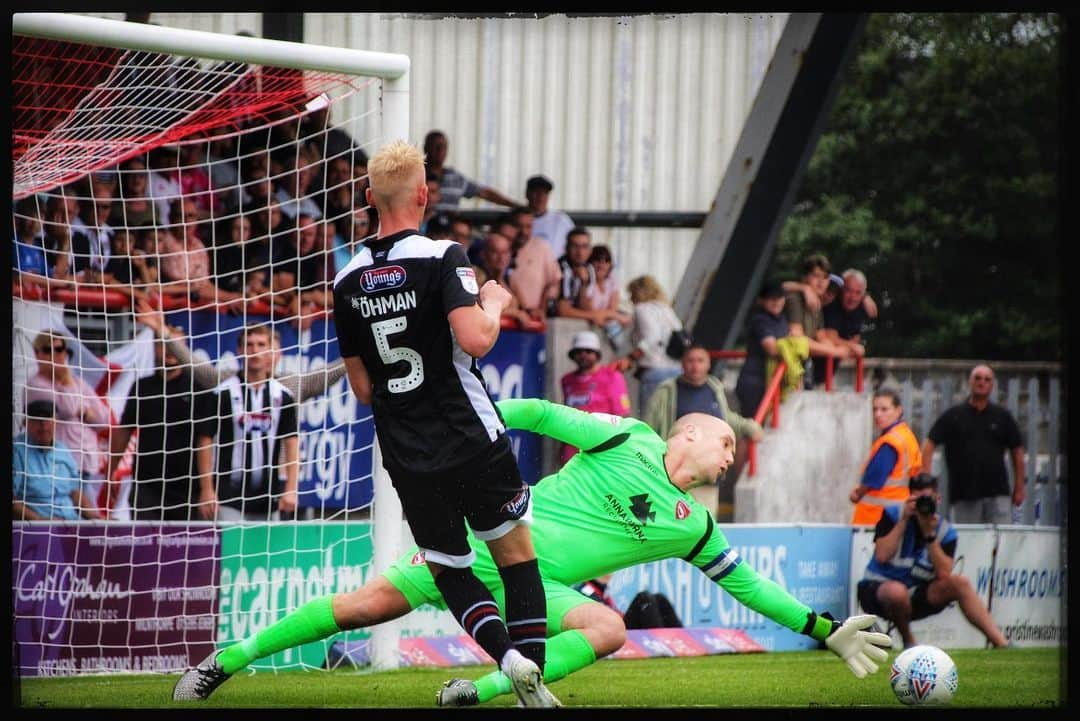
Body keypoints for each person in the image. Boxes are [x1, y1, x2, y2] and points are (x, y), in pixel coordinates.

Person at [173, 399, 892, 706]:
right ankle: (225, 660)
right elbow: (543, 415)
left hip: (537, 586)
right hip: (488, 541)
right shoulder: (628, 436)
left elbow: (750, 587)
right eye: (725, 439)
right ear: (688, 435)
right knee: (364, 607)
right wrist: (472, 416)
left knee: (608, 628)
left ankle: (479, 691)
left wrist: (824, 631)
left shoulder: (694, 526)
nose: (733, 451)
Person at [328, 139, 555, 706]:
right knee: (516, 558)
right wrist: (496, 302)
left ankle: (507, 657)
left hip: (408, 452)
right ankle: (533, 676)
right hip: (469, 436)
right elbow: (477, 338)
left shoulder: (347, 279)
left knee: (451, 569)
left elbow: (362, 388)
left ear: (368, 196)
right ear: (425, 195)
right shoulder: (443, 255)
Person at [857, 472, 1009, 649]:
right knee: (897, 592)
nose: (923, 504)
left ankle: (1001, 642)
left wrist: (929, 534)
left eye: (927, 498)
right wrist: (904, 520)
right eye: (918, 498)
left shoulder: (945, 530)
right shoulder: (893, 515)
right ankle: (909, 642)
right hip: (879, 589)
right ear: (909, 497)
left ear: (938, 498)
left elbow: (944, 574)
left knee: (960, 583)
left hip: (917, 592)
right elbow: (882, 555)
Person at [107, 324, 218, 521]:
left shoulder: (198, 387)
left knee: (188, 548)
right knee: (146, 547)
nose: (168, 351)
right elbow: (125, 430)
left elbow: (204, 440)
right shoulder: (142, 387)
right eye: (163, 345)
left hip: (188, 487)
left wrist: (207, 488)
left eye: (174, 345)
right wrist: (111, 470)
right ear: (154, 348)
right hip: (147, 485)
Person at [195, 324, 299, 522]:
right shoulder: (223, 393)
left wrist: (291, 489)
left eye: (261, 345)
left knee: (268, 552)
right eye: (249, 345)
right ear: (240, 350)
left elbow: (292, 443)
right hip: (229, 494)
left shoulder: (283, 396)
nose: (255, 351)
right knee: (233, 551)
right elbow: (205, 440)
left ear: (270, 350)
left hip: (269, 495)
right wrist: (207, 489)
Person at [921, 364, 1025, 524]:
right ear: (970, 382)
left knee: (1000, 544)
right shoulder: (953, 416)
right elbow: (928, 446)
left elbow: (1017, 451)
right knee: (968, 544)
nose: (982, 382)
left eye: (987, 379)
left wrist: (1019, 487)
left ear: (992, 385)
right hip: (964, 496)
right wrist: (927, 484)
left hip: (998, 494)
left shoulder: (1002, 416)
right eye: (977, 378)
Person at [14, 400, 103, 521]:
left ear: (55, 422)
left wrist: (95, 517)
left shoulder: (63, 450)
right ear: (26, 423)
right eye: (37, 421)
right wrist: (39, 521)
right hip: (36, 528)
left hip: (71, 523)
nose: (43, 426)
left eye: (47, 420)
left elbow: (75, 492)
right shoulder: (16, 451)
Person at [850, 389, 922, 526]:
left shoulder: (890, 443)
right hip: (898, 513)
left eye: (884, 409)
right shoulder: (906, 436)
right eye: (875, 409)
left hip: (875, 517)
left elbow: (874, 478)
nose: (878, 414)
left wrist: (857, 494)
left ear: (898, 410)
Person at [558, 330, 631, 466]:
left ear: (597, 354)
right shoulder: (566, 380)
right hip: (572, 443)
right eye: (579, 351)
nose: (583, 355)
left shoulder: (613, 377)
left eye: (588, 351)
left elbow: (622, 415)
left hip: (601, 444)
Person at [615, 275, 683, 413]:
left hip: (654, 369)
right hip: (676, 369)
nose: (630, 298)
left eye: (632, 293)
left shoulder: (642, 308)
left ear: (639, 292)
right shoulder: (666, 309)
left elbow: (652, 336)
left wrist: (631, 357)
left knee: (651, 418)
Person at [784, 254, 849, 387]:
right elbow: (797, 340)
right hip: (780, 368)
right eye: (816, 276)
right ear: (805, 277)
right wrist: (834, 351)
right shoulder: (795, 298)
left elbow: (821, 336)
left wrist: (843, 348)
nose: (821, 282)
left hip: (796, 370)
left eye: (825, 277)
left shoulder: (816, 303)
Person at [422, 130, 519, 210]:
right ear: (426, 148)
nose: (440, 151)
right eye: (436, 147)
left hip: (449, 231)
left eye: (444, 147)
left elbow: (485, 193)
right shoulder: (416, 174)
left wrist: (515, 206)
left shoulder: (456, 178)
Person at [735, 281, 790, 418]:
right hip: (753, 382)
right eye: (771, 298)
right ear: (762, 301)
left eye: (780, 297)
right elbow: (771, 348)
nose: (776, 302)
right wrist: (793, 349)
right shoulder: (760, 320)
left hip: (768, 380)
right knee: (752, 428)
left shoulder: (782, 319)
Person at [506, 205, 561, 322]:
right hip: (505, 320)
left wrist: (543, 309)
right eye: (518, 226)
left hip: (534, 321)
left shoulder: (542, 247)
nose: (523, 231)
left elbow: (554, 283)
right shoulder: (500, 249)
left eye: (528, 227)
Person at [525, 174, 575, 260]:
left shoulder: (561, 220)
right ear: (527, 194)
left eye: (545, 193)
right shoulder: (517, 220)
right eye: (536, 192)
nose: (540, 196)